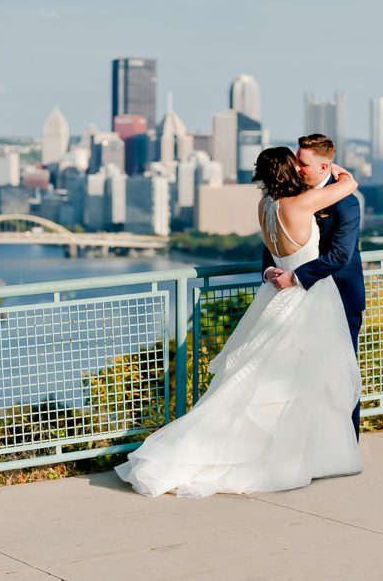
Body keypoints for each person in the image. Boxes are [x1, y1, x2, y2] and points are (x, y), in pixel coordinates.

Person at [115, 144, 362, 498]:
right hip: (308, 298)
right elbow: (348, 185)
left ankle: (304, 451)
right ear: (291, 172)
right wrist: (334, 166)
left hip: (275, 291)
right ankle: (298, 454)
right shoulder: (302, 203)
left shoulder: (266, 206)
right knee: (301, 377)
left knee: (268, 376)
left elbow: (272, 249)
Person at [263, 134, 366, 439]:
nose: (296, 168)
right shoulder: (294, 198)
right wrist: (270, 269)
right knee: (297, 373)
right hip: (298, 300)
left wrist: (296, 277)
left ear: (324, 167)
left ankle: (346, 441)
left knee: (340, 373)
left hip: (340, 299)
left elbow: (339, 256)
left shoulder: (346, 204)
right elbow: (275, 244)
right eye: (295, 161)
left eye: (302, 163)